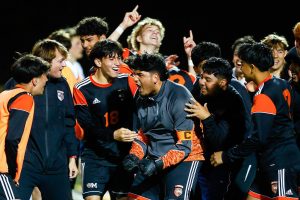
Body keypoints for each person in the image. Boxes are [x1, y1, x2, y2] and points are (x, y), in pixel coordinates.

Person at [210, 43, 300, 199]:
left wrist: (225, 156)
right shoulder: (282, 84)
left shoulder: (264, 95)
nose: (240, 68)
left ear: (251, 67)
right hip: (270, 160)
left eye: (242, 64)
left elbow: (258, 138)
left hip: (279, 162)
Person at [5, 39, 79, 200]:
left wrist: (72, 157)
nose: (64, 65)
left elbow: (68, 123)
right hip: (25, 166)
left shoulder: (62, 85)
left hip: (56, 166)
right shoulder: (17, 83)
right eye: (60, 61)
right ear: (46, 62)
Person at [123, 53, 204, 199]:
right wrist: (134, 156)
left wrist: (157, 164)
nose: (134, 79)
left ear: (155, 77)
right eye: (133, 74)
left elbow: (185, 146)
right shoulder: (140, 97)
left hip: (186, 158)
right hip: (155, 158)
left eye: (139, 75)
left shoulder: (179, 97)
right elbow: (143, 134)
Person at [73, 39, 138, 200]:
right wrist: (113, 135)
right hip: (96, 156)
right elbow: (87, 126)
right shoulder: (82, 88)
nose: (117, 63)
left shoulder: (128, 80)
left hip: (124, 156)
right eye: (111, 58)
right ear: (98, 61)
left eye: (119, 58)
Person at [184, 57, 249, 200]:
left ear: (222, 83)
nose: (201, 82)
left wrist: (207, 118)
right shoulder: (200, 91)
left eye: (207, 79)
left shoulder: (233, 101)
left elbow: (221, 142)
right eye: (201, 77)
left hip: (222, 166)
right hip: (199, 161)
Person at [0, 54, 49, 200]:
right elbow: (12, 138)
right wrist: (13, 170)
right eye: (44, 76)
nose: (46, 80)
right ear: (34, 80)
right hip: (2, 169)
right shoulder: (24, 98)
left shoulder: (5, 94)